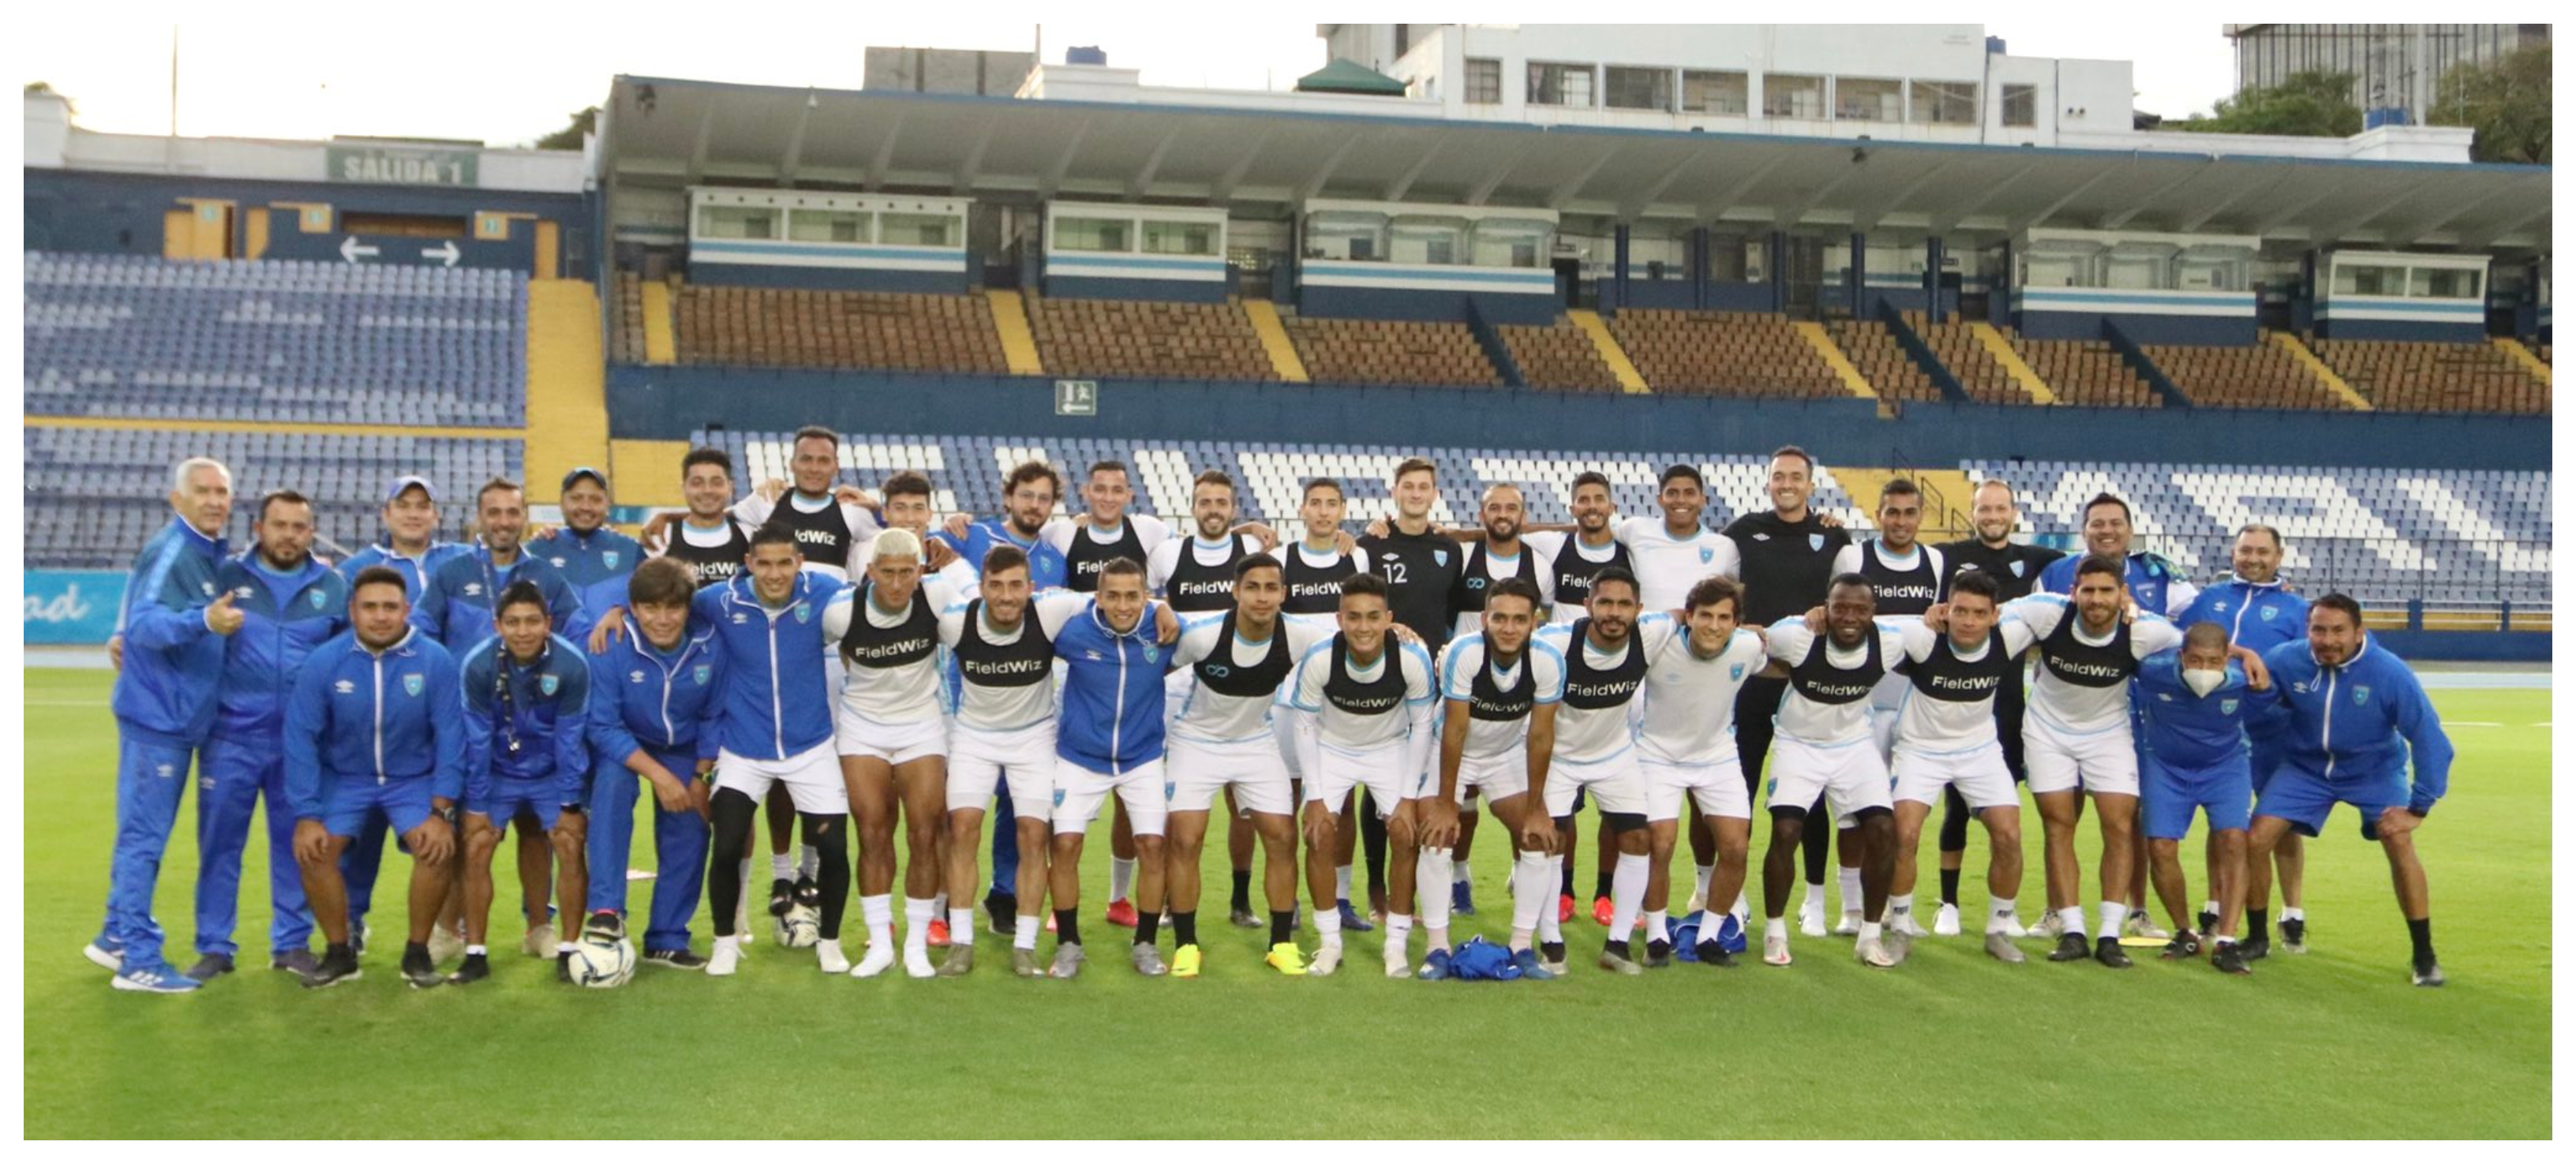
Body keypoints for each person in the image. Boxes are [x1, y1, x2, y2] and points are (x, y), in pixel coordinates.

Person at [88, 457, 238, 994]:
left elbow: (134, 614)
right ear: (178, 500)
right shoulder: (176, 548)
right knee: (143, 838)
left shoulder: (201, 550)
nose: (215, 500)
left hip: (173, 715)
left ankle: (115, 936)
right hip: (159, 719)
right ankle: (140, 963)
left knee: (143, 833)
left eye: (222, 491)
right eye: (203, 491)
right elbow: (149, 624)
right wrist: (203, 620)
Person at [414, 477, 580, 958]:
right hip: (470, 720)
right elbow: (423, 630)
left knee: (535, 831)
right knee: (470, 831)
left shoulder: (546, 574)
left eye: (512, 512)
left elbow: (578, 628)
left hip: (536, 722)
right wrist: (436, 686)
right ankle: (450, 929)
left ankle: (538, 928)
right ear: (479, 518)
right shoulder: (452, 572)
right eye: (495, 513)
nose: (504, 522)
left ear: (524, 516)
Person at [2249, 596, 2453, 985]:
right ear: (2307, 630)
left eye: (2338, 630)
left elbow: (2429, 738)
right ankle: (2257, 938)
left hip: (2373, 771)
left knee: (2399, 842)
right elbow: (2254, 705)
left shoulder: (2389, 672)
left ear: (2359, 632)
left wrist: (2419, 807)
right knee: (2256, 839)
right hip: (2305, 769)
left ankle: (2424, 955)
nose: (2327, 640)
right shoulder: (2285, 659)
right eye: (2318, 630)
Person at [283, 566, 466, 989]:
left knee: (435, 847)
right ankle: (339, 952)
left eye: (389, 607)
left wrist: (441, 809)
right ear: (352, 611)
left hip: (411, 779)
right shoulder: (325, 661)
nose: (380, 617)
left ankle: (417, 954)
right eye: (369, 608)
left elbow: (452, 737)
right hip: (347, 778)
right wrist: (306, 814)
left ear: (406, 610)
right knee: (315, 849)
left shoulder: (435, 660)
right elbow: (300, 737)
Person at [1999, 554, 2185, 968]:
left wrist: (2245, 656)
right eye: (2088, 590)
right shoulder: (2048, 612)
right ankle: (2072, 931)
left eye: (2106, 591)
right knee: (2058, 825)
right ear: (2074, 592)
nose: (2096, 599)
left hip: (2107, 734)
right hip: (2048, 732)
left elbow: (2193, 645)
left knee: (2120, 825)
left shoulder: (2145, 632)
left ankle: (2108, 934)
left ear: (2123, 594)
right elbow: (1993, 613)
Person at [190, 489, 345, 982]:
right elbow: (179, 615)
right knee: (219, 845)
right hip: (230, 736)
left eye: (299, 527)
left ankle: (292, 943)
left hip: (300, 746)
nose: (289, 535)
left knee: (296, 845)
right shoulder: (227, 577)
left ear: (311, 531)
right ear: (259, 529)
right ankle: (215, 945)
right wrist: (123, 633)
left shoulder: (331, 586)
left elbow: (348, 659)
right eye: (279, 525)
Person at [2035, 492, 2200, 939]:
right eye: (2097, 523)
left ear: (2130, 530)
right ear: (2083, 531)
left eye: (2115, 523)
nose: (2106, 530)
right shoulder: (2055, 572)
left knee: (2129, 817)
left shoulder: (2160, 573)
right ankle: (2056, 910)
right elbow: (2037, 626)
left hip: (2137, 713)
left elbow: (2191, 633)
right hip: (2069, 707)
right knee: (2062, 813)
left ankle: (2138, 910)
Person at [1163, 553, 1334, 976]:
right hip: (1195, 741)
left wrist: (1395, 630)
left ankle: (1281, 944)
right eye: (1252, 587)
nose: (1262, 597)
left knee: (1281, 836)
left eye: (1271, 588)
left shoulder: (1299, 635)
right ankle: (1186, 944)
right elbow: (1150, 673)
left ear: (1283, 594)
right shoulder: (1201, 637)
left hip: (1255, 740)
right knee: (1186, 839)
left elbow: (1350, 635)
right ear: (1236, 591)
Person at [698, 525, 854, 977]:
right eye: (764, 563)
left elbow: (872, 607)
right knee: (726, 847)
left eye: (784, 562)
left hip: (811, 744)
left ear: (799, 562)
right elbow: (664, 603)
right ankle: (725, 943)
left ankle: (830, 942)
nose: (774, 573)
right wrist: (615, 611)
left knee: (836, 850)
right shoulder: (719, 601)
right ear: (748, 563)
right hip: (742, 748)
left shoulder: (825, 591)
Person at [820, 529, 968, 979]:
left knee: (924, 832)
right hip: (862, 727)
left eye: (908, 572)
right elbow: (819, 650)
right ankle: (880, 943)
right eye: (888, 573)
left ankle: (917, 947)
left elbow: (993, 605)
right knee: (872, 832)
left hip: (921, 726)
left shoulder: (939, 597)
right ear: (869, 572)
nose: (898, 583)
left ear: (921, 571)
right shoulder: (842, 612)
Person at [332, 474, 472, 948]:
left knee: (445, 824)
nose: (413, 513)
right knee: (363, 828)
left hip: (441, 718)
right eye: (403, 504)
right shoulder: (358, 568)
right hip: (373, 722)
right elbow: (330, 636)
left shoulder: (461, 561)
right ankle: (352, 918)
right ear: (385, 513)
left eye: (422, 505)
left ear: (437, 514)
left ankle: (446, 924)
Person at [1724, 446, 1853, 939]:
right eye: (1780, 476)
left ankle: (1815, 900)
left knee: (1813, 794)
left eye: (1796, 477)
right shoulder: (1742, 531)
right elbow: (1720, 591)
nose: (1787, 484)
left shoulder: (1832, 535)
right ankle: (1732, 896)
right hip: (1754, 683)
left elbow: (1847, 600)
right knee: (1741, 790)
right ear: (1768, 482)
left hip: (1809, 686)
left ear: (1810, 484)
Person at [1286, 572, 1439, 978]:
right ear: (1340, 619)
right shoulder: (1321, 658)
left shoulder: (1411, 659)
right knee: (1318, 833)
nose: (1364, 627)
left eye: (1373, 617)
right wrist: (1316, 797)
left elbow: (1422, 726)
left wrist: (1407, 798)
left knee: (1406, 834)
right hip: (1331, 746)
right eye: (1354, 617)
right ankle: (1329, 943)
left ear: (1388, 618)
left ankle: (1396, 946)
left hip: (1388, 747)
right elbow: (1303, 725)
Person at [1930, 477, 2063, 937]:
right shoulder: (1946, 557)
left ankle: (2005, 911)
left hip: (2009, 704)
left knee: (2005, 810)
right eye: (1984, 508)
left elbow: (2089, 573)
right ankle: (1947, 904)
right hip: (1956, 697)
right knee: (1955, 808)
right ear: (1973, 511)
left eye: (2000, 508)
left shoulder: (2037, 561)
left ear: (2013, 512)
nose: (1992, 515)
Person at [1755, 575, 1908, 968]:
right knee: (1787, 831)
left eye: (1860, 609)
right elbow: (1750, 642)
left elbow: (1933, 626)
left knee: (1883, 829)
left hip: (1854, 746)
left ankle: (1870, 936)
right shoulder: (1797, 634)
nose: (1849, 617)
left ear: (1874, 613)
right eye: (1840, 607)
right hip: (1798, 744)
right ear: (1826, 606)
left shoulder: (1890, 639)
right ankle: (1775, 932)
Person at [1043, 558, 1181, 978]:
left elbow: (1218, 625)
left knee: (1153, 847)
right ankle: (1068, 944)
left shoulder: (1165, 630)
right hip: (1079, 757)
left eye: (1133, 596)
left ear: (1146, 596)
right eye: (1113, 596)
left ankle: (1145, 944)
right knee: (1065, 846)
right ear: (1098, 597)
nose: (1123, 605)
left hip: (1142, 758)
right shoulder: (1072, 631)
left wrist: (1163, 607)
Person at [1885, 571, 2035, 964]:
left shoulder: (2010, 636)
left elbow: (2059, 606)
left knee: (2008, 834)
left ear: (1994, 615)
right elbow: (1866, 620)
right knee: (1905, 833)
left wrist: (2128, 607)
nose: (1968, 620)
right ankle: (1900, 925)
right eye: (1960, 610)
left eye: (1978, 613)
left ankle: (1998, 930)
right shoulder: (1921, 637)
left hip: (1979, 750)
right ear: (1946, 610)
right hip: (1920, 749)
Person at [582, 557, 721, 970]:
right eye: (650, 608)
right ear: (633, 607)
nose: (662, 619)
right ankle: (606, 911)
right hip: (628, 743)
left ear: (687, 608)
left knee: (692, 820)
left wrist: (700, 776)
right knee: (611, 788)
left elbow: (715, 715)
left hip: (686, 749)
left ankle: (667, 937)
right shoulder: (611, 643)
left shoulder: (711, 643)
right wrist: (658, 775)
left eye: (672, 608)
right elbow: (602, 726)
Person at [452, 581, 592, 984]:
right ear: (497, 624)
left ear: (548, 623)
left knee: (568, 843)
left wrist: (569, 803)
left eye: (532, 621)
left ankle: (568, 950)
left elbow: (570, 738)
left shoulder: (571, 664)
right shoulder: (478, 666)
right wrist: (477, 806)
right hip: (498, 771)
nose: (523, 631)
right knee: (477, 845)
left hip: (551, 773)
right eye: (512, 622)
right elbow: (476, 740)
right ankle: (475, 953)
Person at [2177, 524, 2310, 947]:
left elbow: (2308, 664)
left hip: (2275, 731)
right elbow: (2179, 643)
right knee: (2224, 824)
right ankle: (2215, 905)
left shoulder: (2296, 608)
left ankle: (2292, 912)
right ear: (2233, 553)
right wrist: (2241, 652)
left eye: (2262, 552)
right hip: (2217, 730)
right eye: (2245, 550)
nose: (2253, 558)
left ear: (2279, 556)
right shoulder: (2209, 599)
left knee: (2280, 825)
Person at [1425, 578, 1565, 979]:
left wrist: (1538, 808)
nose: (1508, 628)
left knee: (1538, 838)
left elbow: (1540, 735)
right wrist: (1447, 803)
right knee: (1437, 837)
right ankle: (1437, 949)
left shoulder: (1547, 661)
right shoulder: (1462, 653)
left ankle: (1522, 947)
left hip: (1503, 754)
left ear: (1534, 622)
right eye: (1499, 618)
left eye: (1519, 619)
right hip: (1450, 750)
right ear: (1484, 619)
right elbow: (1454, 730)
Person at [935, 545, 1064, 978]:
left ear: (1031, 588)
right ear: (982, 587)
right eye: (996, 586)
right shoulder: (957, 619)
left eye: (1015, 586)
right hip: (975, 737)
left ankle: (1025, 946)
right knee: (963, 830)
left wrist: (1163, 612)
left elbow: (1114, 596)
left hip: (1034, 738)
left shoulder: (1051, 611)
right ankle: (961, 943)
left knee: (1032, 835)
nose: (1006, 596)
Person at [1830, 477, 1945, 938]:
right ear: (1878, 515)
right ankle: (1851, 909)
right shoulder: (1854, 558)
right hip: (1858, 703)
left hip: (1911, 705)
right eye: (1892, 512)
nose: (1901, 521)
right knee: (1852, 811)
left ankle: (1900, 909)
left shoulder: (1935, 562)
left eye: (1909, 513)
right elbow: (1835, 614)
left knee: (1903, 812)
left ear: (1921, 517)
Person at [1632, 576, 1768, 968]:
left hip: (1717, 755)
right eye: (1705, 615)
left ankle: (1709, 936)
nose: (1713, 625)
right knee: (1660, 843)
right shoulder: (1661, 644)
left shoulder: (1748, 647)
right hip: (1657, 754)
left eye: (1724, 617)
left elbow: (1775, 656)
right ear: (1688, 616)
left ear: (1736, 623)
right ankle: (1657, 936)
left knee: (1736, 847)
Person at [1529, 569, 1660, 975]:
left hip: (1614, 754)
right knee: (1551, 842)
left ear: (1639, 610)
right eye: (1605, 603)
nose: (1614, 613)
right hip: (1559, 758)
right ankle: (1551, 943)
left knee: (1639, 837)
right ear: (1587, 606)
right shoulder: (1554, 643)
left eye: (1624, 605)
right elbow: (1507, 644)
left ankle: (1617, 945)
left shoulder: (1652, 633)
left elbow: (1692, 614)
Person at [1352, 457, 1462, 934]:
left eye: (1425, 487)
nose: (1416, 493)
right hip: (1381, 682)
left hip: (1431, 687)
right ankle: (1378, 892)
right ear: (1395, 492)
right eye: (1408, 486)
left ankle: (1409, 894)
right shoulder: (1371, 543)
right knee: (1381, 787)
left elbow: (1451, 614)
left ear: (1434, 494)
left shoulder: (1447, 548)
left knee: (1417, 790)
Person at [2135, 622, 2275, 975]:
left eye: (2214, 661)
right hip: (2165, 767)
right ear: (2181, 656)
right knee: (2161, 848)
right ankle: (2185, 932)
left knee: (2233, 841)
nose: (2204, 670)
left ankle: (2226, 940)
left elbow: (2273, 705)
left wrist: (2246, 655)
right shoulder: (2152, 671)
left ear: (2226, 659)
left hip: (2225, 768)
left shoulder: (2245, 680)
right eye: (2195, 660)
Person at [724, 425, 882, 580]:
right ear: (792, 464)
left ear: (836, 466)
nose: (814, 469)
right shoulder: (768, 500)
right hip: (776, 604)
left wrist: (875, 507)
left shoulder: (851, 510)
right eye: (806, 459)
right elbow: (716, 518)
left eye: (823, 461)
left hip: (830, 605)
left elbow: (893, 537)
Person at [537, 466, 639, 646]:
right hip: (554, 668)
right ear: (562, 502)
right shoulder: (538, 550)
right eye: (576, 498)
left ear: (607, 505)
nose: (586, 507)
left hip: (615, 669)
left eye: (595, 499)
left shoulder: (632, 551)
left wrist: (624, 610)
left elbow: (657, 602)